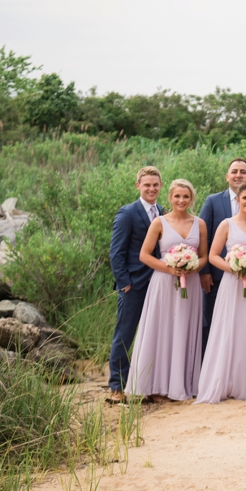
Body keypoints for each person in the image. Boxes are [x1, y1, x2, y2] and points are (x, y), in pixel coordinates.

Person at [125, 179, 207, 402]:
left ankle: (181, 386)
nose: (181, 200)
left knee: (184, 329)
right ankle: (156, 387)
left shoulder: (199, 223)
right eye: (177, 196)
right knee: (161, 330)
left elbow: (204, 256)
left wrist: (192, 266)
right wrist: (170, 268)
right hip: (163, 283)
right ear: (170, 198)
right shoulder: (159, 222)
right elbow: (145, 255)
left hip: (190, 283)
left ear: (191, 199)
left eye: (186, 197)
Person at [196, 179, 246, 403]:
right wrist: (234, 268)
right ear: (239, 200)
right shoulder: (226, 224)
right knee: (231, 328)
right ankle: (227, 380)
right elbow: (213, 256)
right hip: (232, 285)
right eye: (245, 198)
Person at [107, 166, 163, 404]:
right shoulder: (127, 213)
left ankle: (148, 385)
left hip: (159, 285)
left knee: (154, 335)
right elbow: (116, 252)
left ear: (161, 186)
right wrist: (125, 284)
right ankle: (116, 386)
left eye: (155, 184)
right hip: (134, 285)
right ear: (138, 185)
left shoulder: (163, 212)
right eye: (147, 184)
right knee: (125, 335)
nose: (151, 188)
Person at [198, 158, 246, 356]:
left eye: (243, 172)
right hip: (217, 276)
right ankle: (207, 370)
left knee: (241, 324)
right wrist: (204, 272)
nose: (238, 175)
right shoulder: (213, 201)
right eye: (234, 171)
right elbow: (203, 237)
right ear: (227, 176)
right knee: (211, 322)